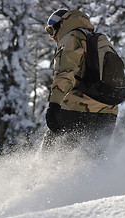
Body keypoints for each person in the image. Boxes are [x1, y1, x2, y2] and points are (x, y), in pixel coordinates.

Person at [42, 9, 118, 158]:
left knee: (50, 155)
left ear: (61, 24)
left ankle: (39, 180)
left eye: (51, 30)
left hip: (79, 109)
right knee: (91, 161)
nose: (52, 36)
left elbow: (65, 73)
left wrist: (54, 105)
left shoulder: (71, 37)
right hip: (108, 111)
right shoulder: (100, 40)